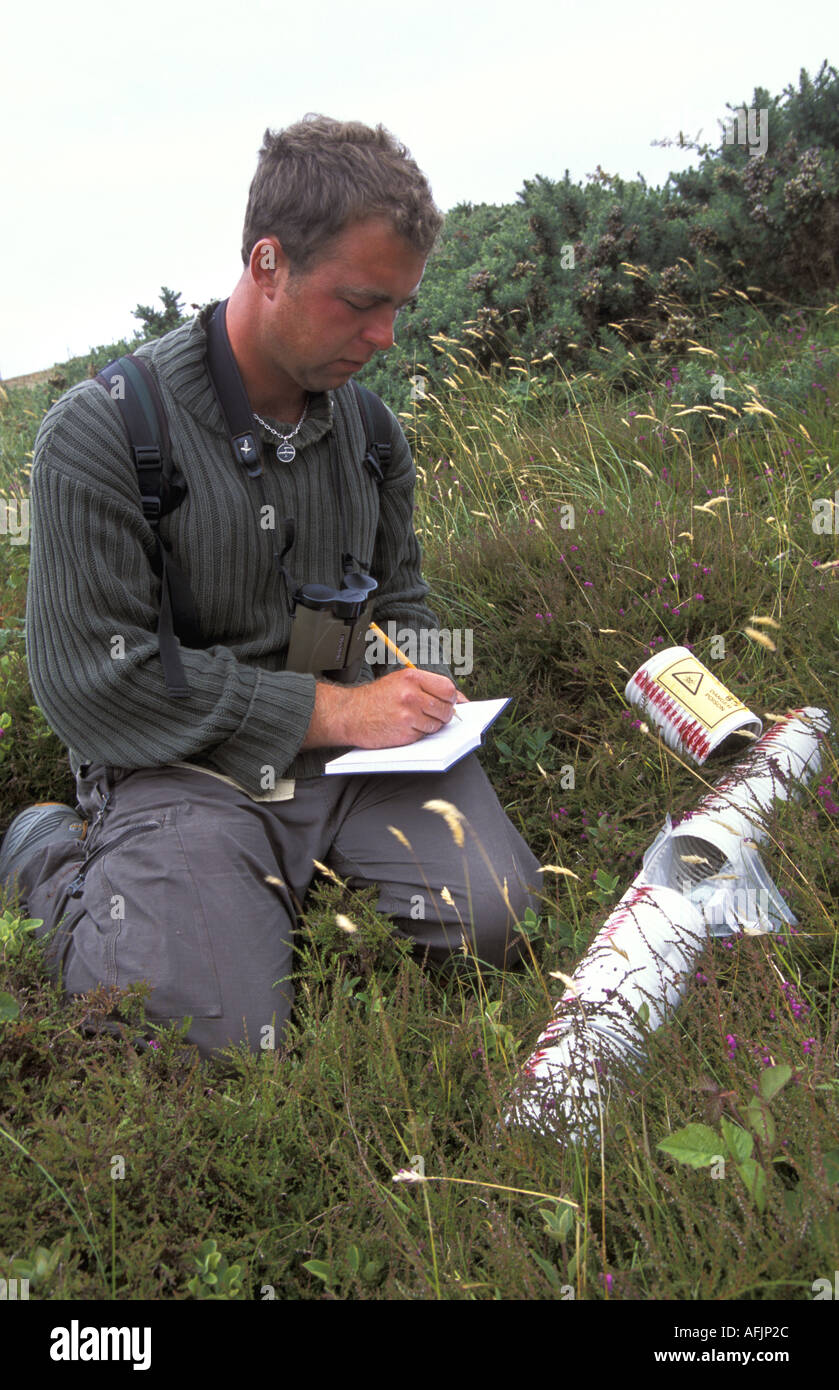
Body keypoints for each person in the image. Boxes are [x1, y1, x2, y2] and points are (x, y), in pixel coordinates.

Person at [4, 115, 542, 1059]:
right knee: (207, 1040)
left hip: (351, 766)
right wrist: (336, 713)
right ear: (267, 263)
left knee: (497, 918)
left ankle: (248, 900)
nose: (381, 337)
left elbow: (398, 600)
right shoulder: (101, 435)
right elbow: (97, 682)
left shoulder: (373, 434)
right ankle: (49, 853)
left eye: (397, 310)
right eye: (358, 302)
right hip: (180, 765)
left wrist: (416, 678)